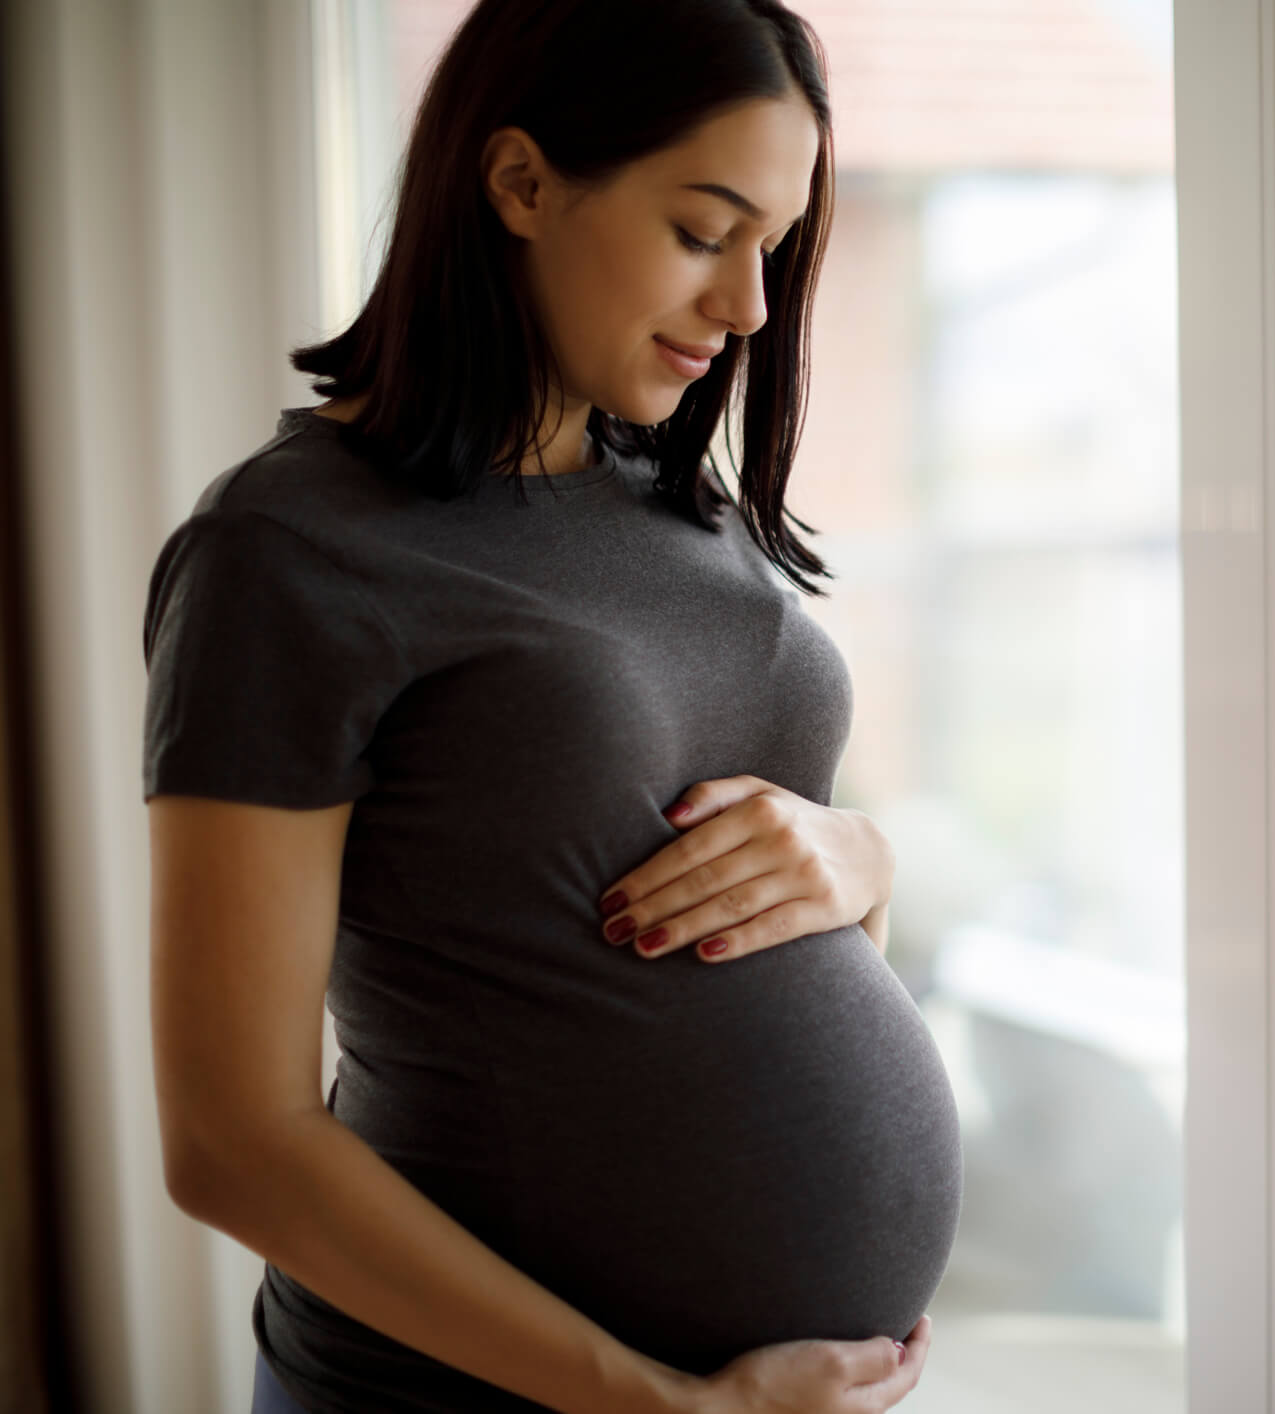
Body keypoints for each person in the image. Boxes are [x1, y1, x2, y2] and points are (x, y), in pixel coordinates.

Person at [140, 2, 962, 1409]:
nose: (750, 307)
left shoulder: (683, 514)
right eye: (705, 232)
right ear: (518, 181)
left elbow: (752, 904)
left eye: (774, 245)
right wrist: (656, 1400)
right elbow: (232, 1136)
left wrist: (857, 856)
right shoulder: (289, 552)